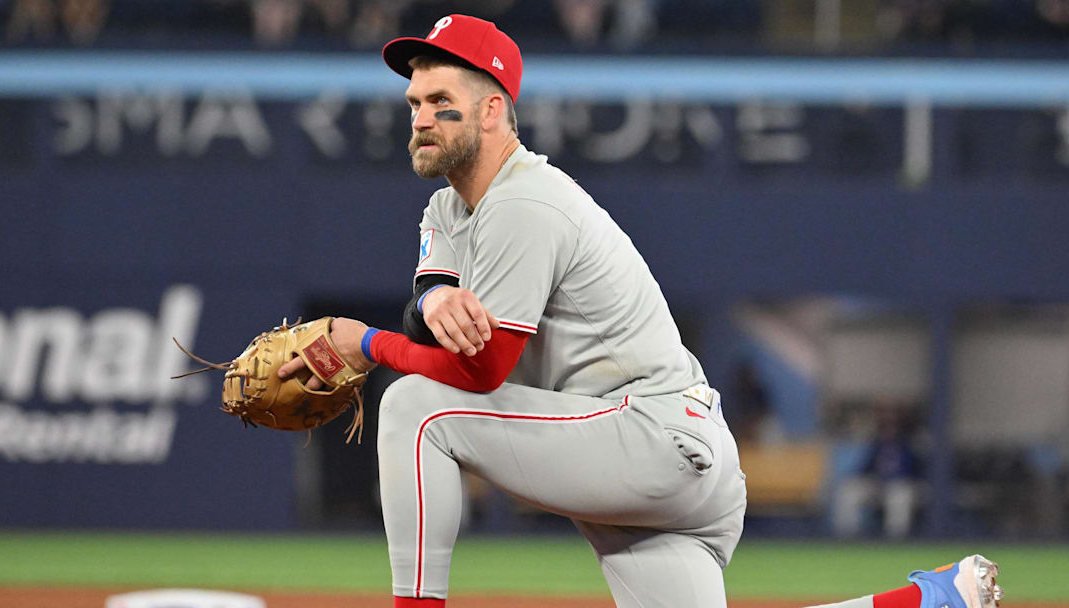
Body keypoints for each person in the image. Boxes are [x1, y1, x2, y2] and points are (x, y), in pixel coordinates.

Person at [277, 14, 1003, 608]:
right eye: (414, 104)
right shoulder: (446, 204)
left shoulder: (526, 199)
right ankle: (934, 600)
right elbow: (429, 286)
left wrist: (364, 342)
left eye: (443, 104)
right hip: (659, 464)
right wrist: (431, 298)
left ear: (494, 109)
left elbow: (482, 372)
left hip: (650, 436)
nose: (423, 118)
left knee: (414, 409)